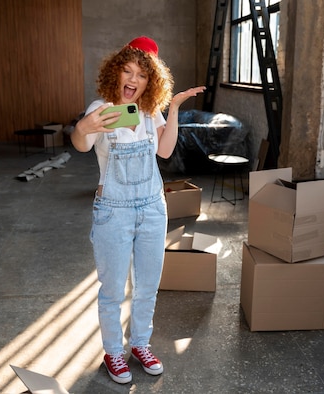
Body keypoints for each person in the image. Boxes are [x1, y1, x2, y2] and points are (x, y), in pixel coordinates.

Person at [71, 36, 205, 384]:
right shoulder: (100, 109)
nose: (133, 80)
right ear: (116, 74)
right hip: (113, 212)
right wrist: (84, 128)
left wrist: (172, 110)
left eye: (142, 75)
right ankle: (114, 352)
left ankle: (140, 345)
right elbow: (82, 143)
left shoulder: (149, 113)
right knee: (113, 289)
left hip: (152, 208)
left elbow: (164, 152)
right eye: (127, 71)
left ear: (151, 81)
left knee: (147, 286)